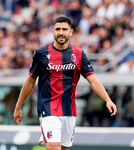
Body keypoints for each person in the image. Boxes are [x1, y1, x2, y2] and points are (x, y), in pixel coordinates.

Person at [13, 16, 117, 150]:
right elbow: (30, 81)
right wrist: (18, 106)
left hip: (69, 110)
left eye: (64, 29)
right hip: (48, 109)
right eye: (58, 29)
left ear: (71, 32)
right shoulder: (41, 53)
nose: (61, 32)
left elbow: (92, 80)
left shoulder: (78, 54)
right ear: (53, 32)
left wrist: (107, 99)